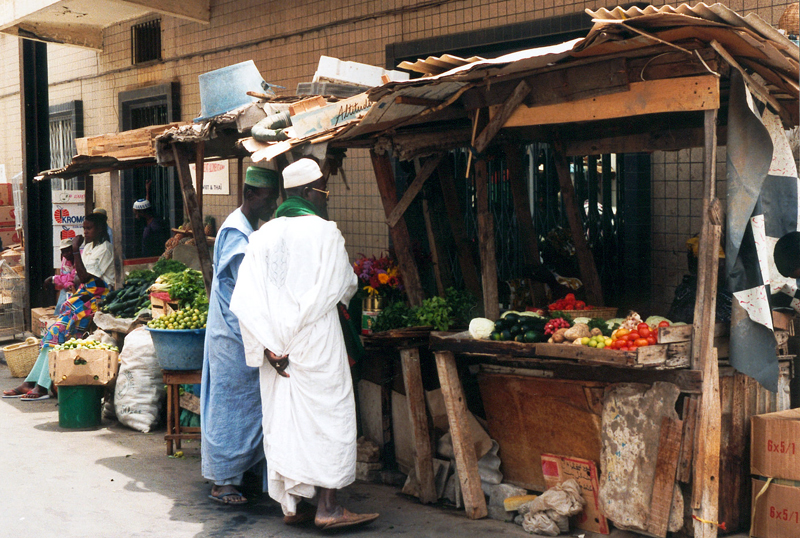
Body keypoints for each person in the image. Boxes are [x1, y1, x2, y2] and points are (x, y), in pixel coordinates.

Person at [230, 158, 379, 530]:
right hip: (317, 342)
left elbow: (245, 300)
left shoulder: (261, 236)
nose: (324, 198)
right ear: (309, 193)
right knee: (331, 420)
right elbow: (343, 285)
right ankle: (328, 507)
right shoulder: (326, 232)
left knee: (286, 422)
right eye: (322, 191)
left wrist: (269, 346)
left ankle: (294, 505)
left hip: (276, 349)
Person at [201, 166, 280, 505]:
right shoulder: (236, 233)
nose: (272, 206)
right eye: (268, 199)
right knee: (231, 406)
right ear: (250, 195)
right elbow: (245, 293)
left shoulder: (245, 228)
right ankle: (223, 481)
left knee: (250, 407)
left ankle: (242, 472)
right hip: (233, 338)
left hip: (240, 334)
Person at [3, 212, 114, 400]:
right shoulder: (87, 248)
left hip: (97, 298)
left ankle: (41, 385)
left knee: (57, 331)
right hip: (83, 295)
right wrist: (79, 259)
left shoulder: (105, 249)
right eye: (84, 228)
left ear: (101, 229)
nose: (85, 232)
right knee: (52, 332)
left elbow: (85, 277)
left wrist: (76, 250)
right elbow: (79, 276)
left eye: (89, 228)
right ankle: (32, 382)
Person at [47, 238, 77, 313]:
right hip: (68, 287)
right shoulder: (65, 260)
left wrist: (54, 279)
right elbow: (64, 276)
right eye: (63, 252)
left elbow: (73, 277)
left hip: (78, 287)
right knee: (61, 305)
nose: (66, 254)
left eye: (68, 251)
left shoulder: (78, 258)